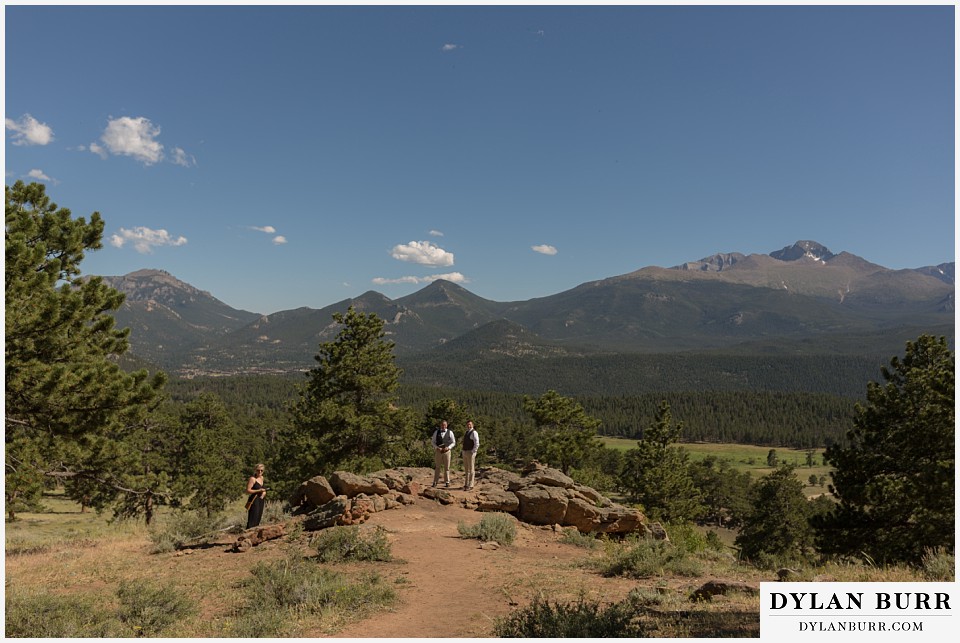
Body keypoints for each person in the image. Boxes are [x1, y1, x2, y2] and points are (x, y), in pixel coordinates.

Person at [431, 420, 456, 488]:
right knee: (437, 467)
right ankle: (435, 482)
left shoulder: (450, 432)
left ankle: (447, 482)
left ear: (446, 425)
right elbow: (433, 442)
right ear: (440, 425)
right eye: (442, 425)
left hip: (447, 452)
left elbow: (453, 442)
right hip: (438, 451)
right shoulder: (436, 432)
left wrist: (449, 447)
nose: (443, 426)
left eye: (445, 425)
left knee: (447, 467)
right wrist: (436, 448)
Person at [245, 463, 268, 529]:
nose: (260, 472)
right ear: (255, 470)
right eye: (258, 470)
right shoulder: (252, 479)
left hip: (261, 499)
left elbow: (263, 489)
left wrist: (264, 492)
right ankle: (248, 533)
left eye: (261, 470)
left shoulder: (262, 478)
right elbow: (248, 491)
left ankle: (254, 534)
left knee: (258, 517)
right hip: (254, 500)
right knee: (253, 517)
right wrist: (259, 491)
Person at [461, 420, 480, 490]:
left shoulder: (474, 432)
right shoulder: (466, 432)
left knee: (471, 469)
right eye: (467, 424)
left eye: (470, 424)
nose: (468, 426)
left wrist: (473, 451)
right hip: (465, 451)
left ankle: (471, 485)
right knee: (466, 469)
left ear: (472, 425)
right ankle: (466, 484)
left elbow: (477, 443)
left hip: (470, 452)